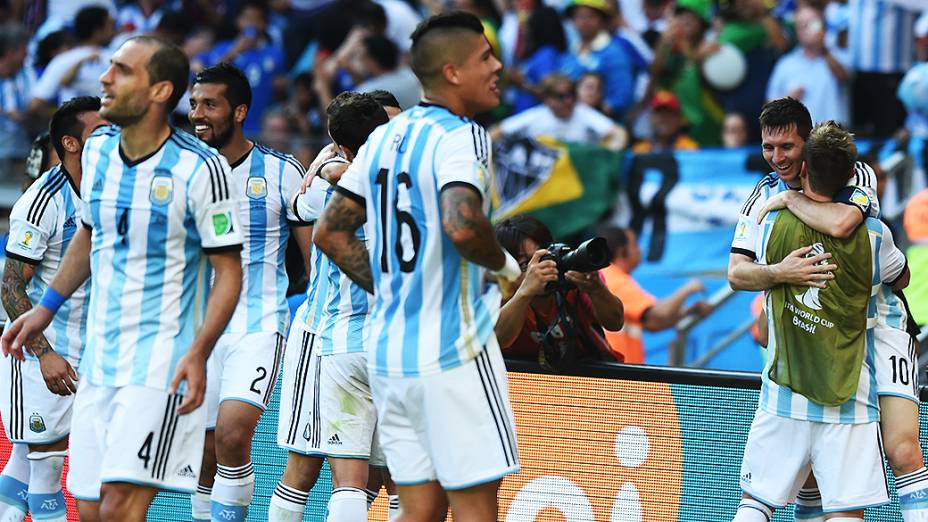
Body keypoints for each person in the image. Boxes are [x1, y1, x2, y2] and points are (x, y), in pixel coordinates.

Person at [1, 36, 244, 522]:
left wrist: (198, 353)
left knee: (119, 506)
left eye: (121, 69)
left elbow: (229, 272)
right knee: (88, 506)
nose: (105, 78)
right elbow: (89, 236)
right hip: (99, 361)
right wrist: (43, 310)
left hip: (160, 365)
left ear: (159, 90)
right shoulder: (102, 155)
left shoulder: (203, 167)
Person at [313, 12, 524, 521]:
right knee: (475, 509)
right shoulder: (463, 135)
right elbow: (462, 223)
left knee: (418, 509)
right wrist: (507, 268)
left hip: (390, 353)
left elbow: (330, 231)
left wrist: (389, 288)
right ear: (452, 72)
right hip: (452, 347)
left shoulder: (385, 137)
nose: (498, 67)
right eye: (486, 58)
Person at [730, 97, 928, 521]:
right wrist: (781, 272)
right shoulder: (761, 195)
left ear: (810, 145)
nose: (777, 158)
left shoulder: (855, 172)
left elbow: (842, 224)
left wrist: (790, 202)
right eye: (768, 148)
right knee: (812, 474)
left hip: (881, 325)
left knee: (903, 449)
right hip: (818, 330)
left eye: (787, 148)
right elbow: (736, 274)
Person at [186, 62, 312, 522]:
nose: (198, 114)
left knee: (234, 433)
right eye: (193, 104)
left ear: (239, 111)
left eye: (210, 105)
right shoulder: (179, 170)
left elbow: (313, 257)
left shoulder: (280, 171)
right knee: (203, 446)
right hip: (195, 328)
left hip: (258, 322)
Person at [270, 91, 389, 522]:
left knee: (337, 475)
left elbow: (299, 205)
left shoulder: (330, 188)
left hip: (338, 337)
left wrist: (326, 164)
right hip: (393, 341)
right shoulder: (416, 185)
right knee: (394, 479)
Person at [0, 96, 105, 522]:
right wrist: (45, 355)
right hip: (46, 352)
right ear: (71, 143)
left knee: (28, 462)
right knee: (45, 465)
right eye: (101, 133)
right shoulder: (43, 201)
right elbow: (10, 288)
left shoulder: (114, 189)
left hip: (97, 350)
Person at [493, 216, 624, 363]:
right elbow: (498, 339)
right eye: (525, 264)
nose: (538, 269)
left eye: (542, 258)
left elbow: (615, 323)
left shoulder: (576, 277)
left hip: (590, 380)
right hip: (523, 381)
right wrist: (525, 292)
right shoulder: (497, 293)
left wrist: (596, 289)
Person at [596, 225, 709, 363]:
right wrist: (688, 289)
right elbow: (657, 314)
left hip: (614, 374)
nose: (640, 250)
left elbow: (653, 323)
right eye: (635, 245)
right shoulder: (615, 279)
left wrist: (688, 312)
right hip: (618, 378)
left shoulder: (603, 276)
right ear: (622, 251)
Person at [195, 0, 286, 136]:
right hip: (227, 121)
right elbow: (209, 76)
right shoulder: (223, 48)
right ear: (238, 21)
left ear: (264, 23)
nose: (252, 23)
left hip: (262, 122)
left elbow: (281, 88)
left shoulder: (275, 53)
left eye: (257, 19)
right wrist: (235, 51)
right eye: (247, 18)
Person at [493, 73, 628, 149]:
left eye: (571, 95)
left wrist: (604, 155)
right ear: (547, 98)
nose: (568, 101)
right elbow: (497, 132)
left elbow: (618, 134)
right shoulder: (536, 116)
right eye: (561, 96)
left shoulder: (583, 113)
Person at [765, 4, 849, 125]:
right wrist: (787, 101)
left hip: (834, 136)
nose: (806, 29)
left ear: (823, 27)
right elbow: (768, 105)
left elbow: (844, 77)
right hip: (799, 137)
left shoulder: (838, 54)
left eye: (811, 23)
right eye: (801, 26)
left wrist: (822, 49)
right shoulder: (785, 64)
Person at [28, 6, 116, 120]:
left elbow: (35, 106)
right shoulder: (116, 58)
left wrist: (64, 125)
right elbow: (35, 106)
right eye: (111, 25)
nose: (114, 30)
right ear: (98, 31)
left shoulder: (63, 60)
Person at [356, 35, 422, 110]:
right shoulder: (412, 75)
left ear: (372, 61)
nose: (358, 61)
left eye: (361, 57)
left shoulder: (367, 92)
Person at [631, 90, 698, 153]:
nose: (664, 119)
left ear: (679, 119)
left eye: (669, 114)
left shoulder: (689, 149)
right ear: (650, 118)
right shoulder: (640, 151)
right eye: (660, 114)